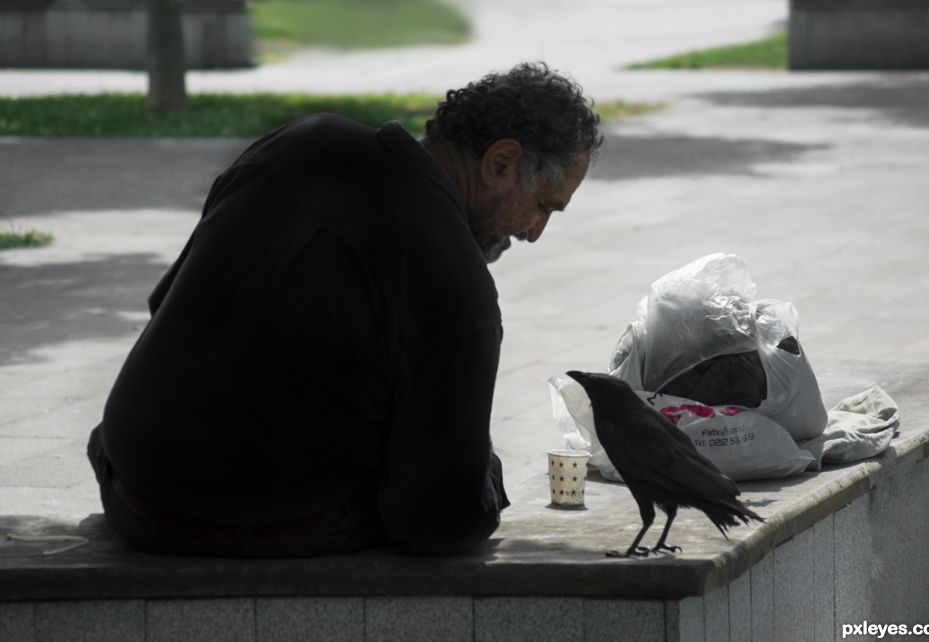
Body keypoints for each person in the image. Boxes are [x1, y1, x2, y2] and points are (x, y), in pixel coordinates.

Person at [86, 62, 602, 557]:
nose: (534, 233)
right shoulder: (457, 284)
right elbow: (440, 521)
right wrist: (483, 475)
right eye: (543, 207)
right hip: (227, 527)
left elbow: (168, 303)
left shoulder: (300, 140)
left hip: (128, 481)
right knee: (454, 479)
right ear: (501, 163)